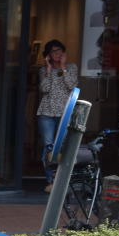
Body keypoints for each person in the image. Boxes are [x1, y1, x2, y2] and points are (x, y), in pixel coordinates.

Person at [36, 39, 79, 191]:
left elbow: (72, 85)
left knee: (61, 147)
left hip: (65, 113)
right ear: (48, 54)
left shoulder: (71, 67)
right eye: (53, 51)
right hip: (46, 112)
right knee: (49, 147)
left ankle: (61, 181)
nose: (57, 54)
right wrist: (48, 70)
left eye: (59, 50)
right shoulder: (44, 70)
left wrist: (63, 68)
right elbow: (44, 89)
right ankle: (51, 180)